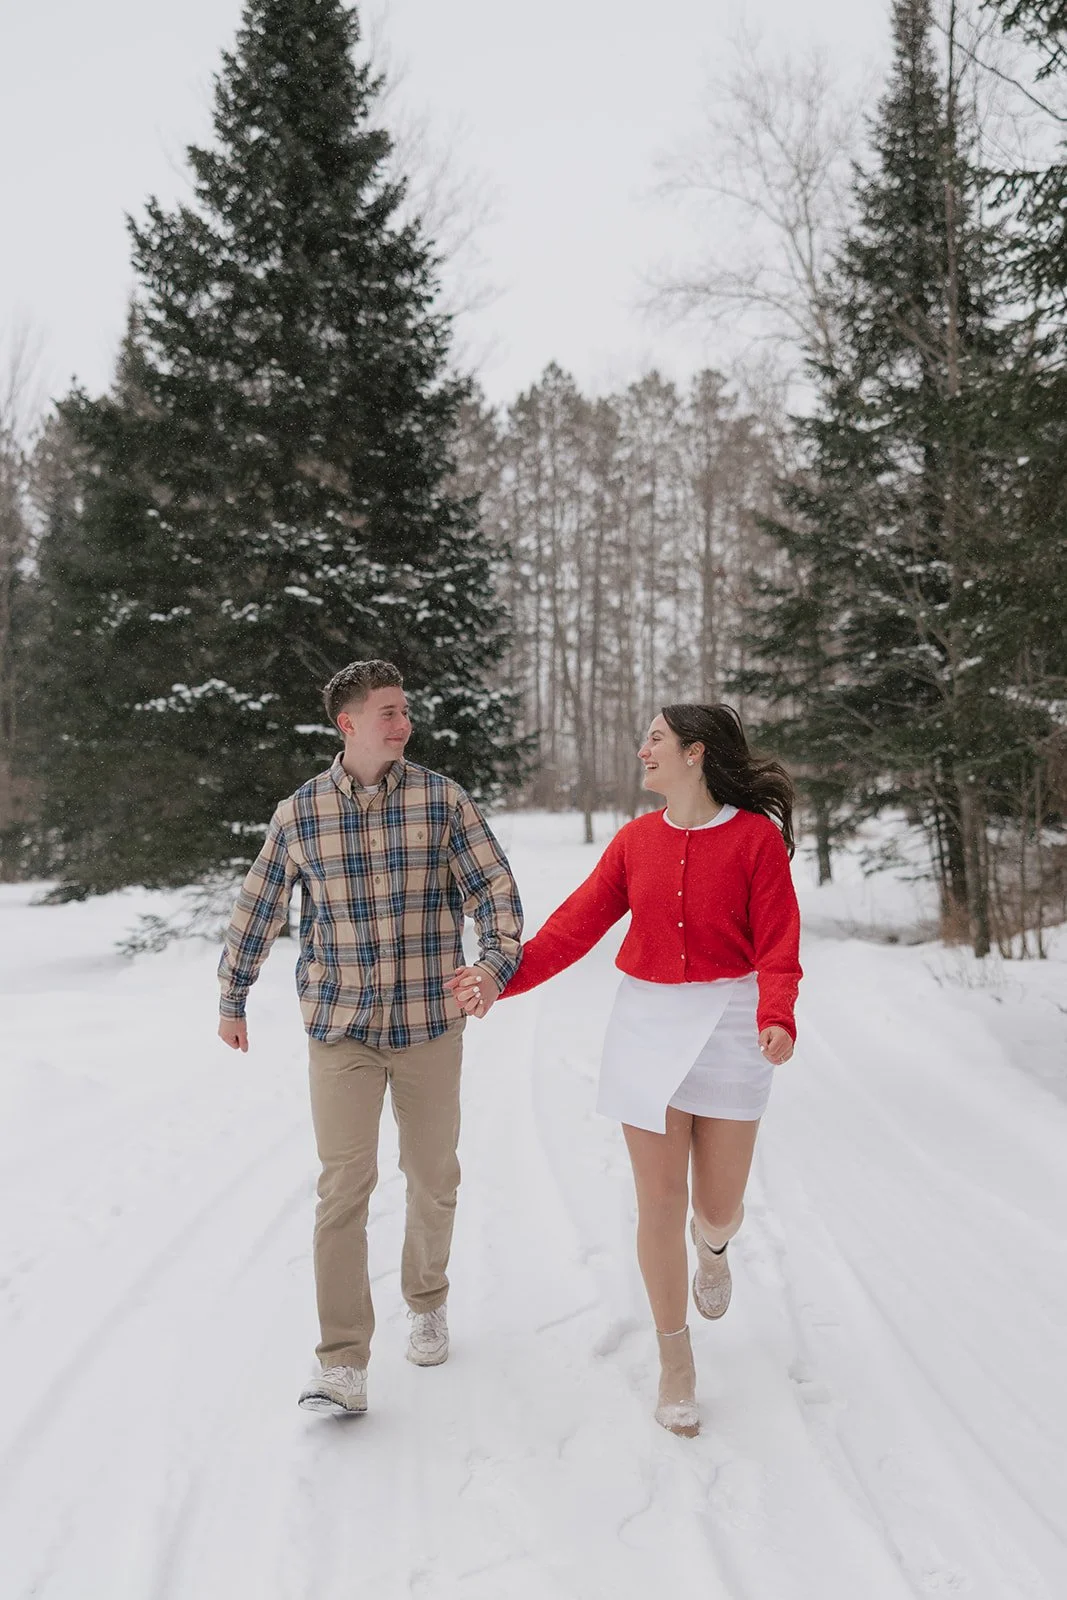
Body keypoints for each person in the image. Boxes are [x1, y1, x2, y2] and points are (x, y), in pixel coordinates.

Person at [447, 703, 801, 1439]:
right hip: (647, 1026)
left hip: (732, 1023)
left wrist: (776, 1013)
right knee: (659, 1202)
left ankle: (714, 1250)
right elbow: (572, 928)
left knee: (717, 1206)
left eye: (655, 739)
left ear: (694, 754)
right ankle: (676, 1360)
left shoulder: (753, 840)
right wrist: (497, 978)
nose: (641, 749)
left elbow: (777, 941)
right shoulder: (634, 842)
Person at [218, 660, 523, 1417]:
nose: (402, 722)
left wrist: (491, 964)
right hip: (340, 1027)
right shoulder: (300, 814)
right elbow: (259, 907)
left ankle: (426, 1299)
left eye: (405, 710)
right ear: (345, 724)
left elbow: (496, 893)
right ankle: (342, 1361)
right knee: (342, 1186)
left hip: (426, 1023)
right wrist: (234, 994)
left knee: (430, 1176)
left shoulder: (442, 800)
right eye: (387, 711)